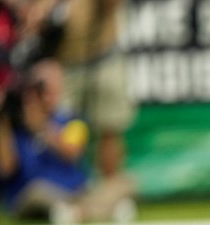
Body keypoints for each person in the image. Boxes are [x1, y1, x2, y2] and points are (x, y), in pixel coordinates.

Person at [27, 0, 140, 213]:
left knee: (109, 127)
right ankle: (66, 193)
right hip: (65, 61)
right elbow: (34, 17)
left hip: (104, 55)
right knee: (63, 126)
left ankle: (110, 192)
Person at [0, 58, 136, 225]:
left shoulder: (71, 120)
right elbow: (6, 167)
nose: (47, 96)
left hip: (75, 192)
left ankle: (77, 212)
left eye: (51, 89)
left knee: (124, 183)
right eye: (41, 90)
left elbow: (71, 152)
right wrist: (4, 121)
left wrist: (41, 127)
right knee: (36, 193)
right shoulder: (12, 125)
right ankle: (99, 211)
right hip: (35, 194)